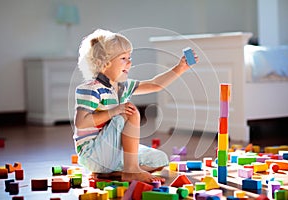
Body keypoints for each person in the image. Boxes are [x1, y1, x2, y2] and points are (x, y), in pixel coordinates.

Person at [73, 29, 198, 183]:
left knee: (160, 159)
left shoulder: (123, 86)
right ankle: (131, 170)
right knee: (129, 111)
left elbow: (154, 84)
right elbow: (81, 122)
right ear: (105, 63)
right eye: (123, 58)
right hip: (93, 154)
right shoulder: (91, 88)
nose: (130, 62)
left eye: (130, 57)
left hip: (114, 153)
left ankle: (115, 173)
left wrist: (180, 68)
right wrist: (115, 111)